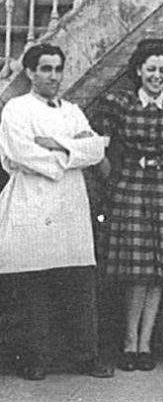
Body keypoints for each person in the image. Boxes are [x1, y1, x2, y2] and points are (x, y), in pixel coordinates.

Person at [0, 43, 113, 380]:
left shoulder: (73, 111)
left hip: (69, 206)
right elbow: (20, 153)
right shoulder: (16, 110)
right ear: (31, 72)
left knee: (77, 283)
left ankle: (85, 356)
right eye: (45, 69)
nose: (52, 76)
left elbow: (95, 149)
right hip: (31, 203)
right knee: (31, 285)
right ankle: (34, 359)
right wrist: (70, 153)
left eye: (57, 69)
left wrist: (57, 144)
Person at [91, 38, 163, 372]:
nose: (157, 76)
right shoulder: (118, 103)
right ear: (138, 71)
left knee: (158, 273)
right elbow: (100, 153)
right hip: (129, 190)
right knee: (137, 272)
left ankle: (145, 342)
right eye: (151, 69)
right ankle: (128, 341)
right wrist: (117, 181)